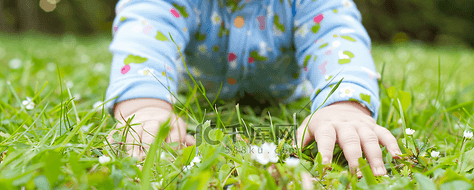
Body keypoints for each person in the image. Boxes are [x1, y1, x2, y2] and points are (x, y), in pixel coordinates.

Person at [106, 0, 402, 176]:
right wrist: (144, 105)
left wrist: (345, 105)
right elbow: (145, 28)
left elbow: (335, 36)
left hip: (284, 91)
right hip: (199, 87)